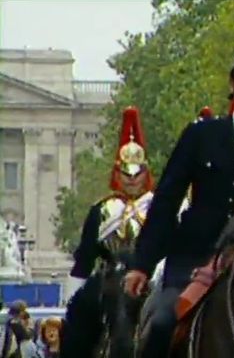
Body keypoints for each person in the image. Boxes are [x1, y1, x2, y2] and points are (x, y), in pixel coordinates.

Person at [124, 45, 234, 358]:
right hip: (194, 259)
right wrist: (142, 264)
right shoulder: (200, 135)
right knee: (162, 324)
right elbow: (166, 200)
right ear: (233, 84)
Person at [61, 107, 169, 357]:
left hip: (152, 275)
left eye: (137, 173)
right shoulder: (102, 209)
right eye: (126, 173)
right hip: (110, 276)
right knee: (79, 316)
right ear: (118, 173)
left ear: (145, 173)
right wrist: (72, 296)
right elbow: (86, 257)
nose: (132, 180)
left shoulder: (160, 206)